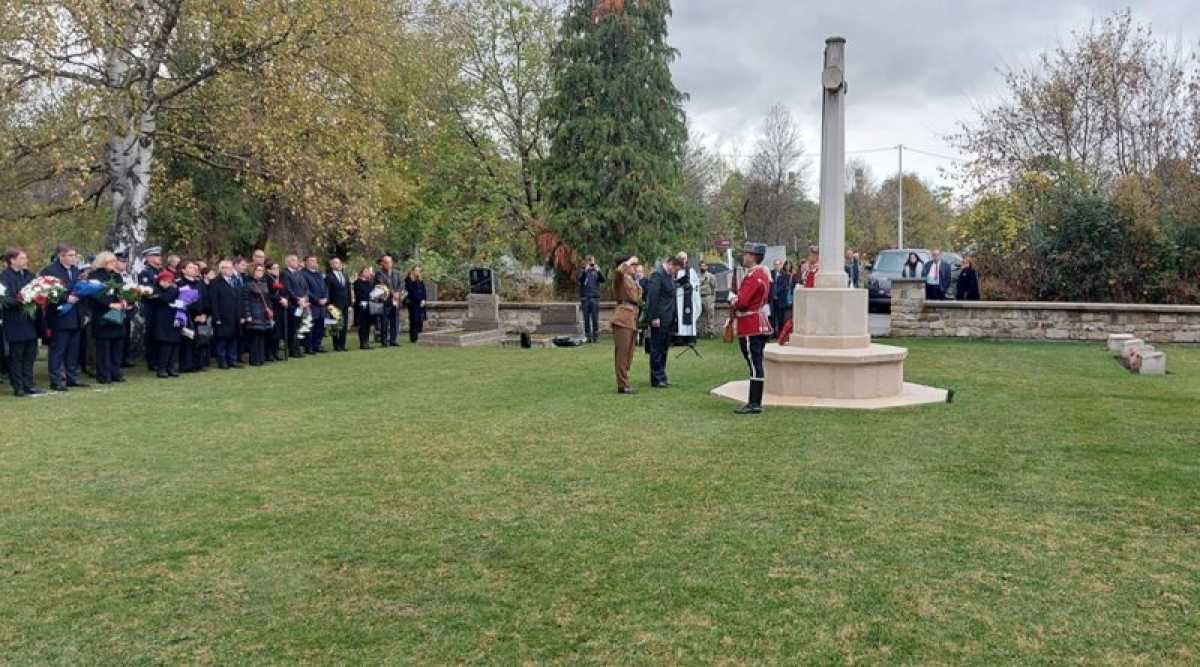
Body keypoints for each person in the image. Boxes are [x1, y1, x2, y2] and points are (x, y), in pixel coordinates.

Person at [729, 242, 774, 415]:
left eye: (746, 254)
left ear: (753, 256)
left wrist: (732, 299)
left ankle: (754, 402)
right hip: (757, 321)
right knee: (755, 363)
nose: (744, 256)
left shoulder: (754, 276)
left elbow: (742, 302)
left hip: (750, 323)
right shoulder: (762, 274)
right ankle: (754, 401)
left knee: (754, 364)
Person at [40, 244, 88, 391]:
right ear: (61, 256)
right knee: (58, 350)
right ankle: (56, 380)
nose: (74, 258)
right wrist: (65, 298)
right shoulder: (50, 270)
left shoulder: (76, 270)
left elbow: (81, 290)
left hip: (76, 316)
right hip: (59, 316)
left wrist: (85, 313)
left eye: (75, 255)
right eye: (71, 255)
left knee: (73, 350)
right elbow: (47, 292)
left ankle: (71, 378)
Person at [2, 249, 42, 397]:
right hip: (15, 321)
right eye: (22, 258)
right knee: (16, 356)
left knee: (30, 355)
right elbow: (5, 299)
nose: (26, 260)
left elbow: (37, 291)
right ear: (12, 260)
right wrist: (22, 300)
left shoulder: (29, 275)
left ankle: (29, 384)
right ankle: (18, 386)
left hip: (30, 321)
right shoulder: (4, 277)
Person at [85, 252, 127, 384]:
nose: (115, 264)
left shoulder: (117, 276)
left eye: (115, 261)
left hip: (117, 313)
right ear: (103, 262)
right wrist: (109, 304)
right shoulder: (94, 276)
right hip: (102, 314)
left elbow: (121, 291)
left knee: (117, 344)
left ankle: (115, 372)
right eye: (111, 262)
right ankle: (104, 375)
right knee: (104, 346)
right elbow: (94, 295)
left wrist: (125, 300)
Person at [645, 255, 680, 388]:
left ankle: (662, 375)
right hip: (659, 318)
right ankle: (656, 377)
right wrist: (654, 317)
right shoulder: (657, 275)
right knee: (656, 349)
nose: (674, 272)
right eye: (674, 269)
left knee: (664, 348)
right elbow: (653, 297)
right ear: (670, 264)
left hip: (668, 318)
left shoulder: (668, 276)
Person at [612, 256, 642, 394]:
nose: (635, 267)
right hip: (623, 318)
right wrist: (628, 262)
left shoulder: (632, 280)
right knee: (622, 353)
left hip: (632, 318)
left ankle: (625, 381)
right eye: (633, 264)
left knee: (629, 353)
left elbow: (637, 299)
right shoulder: (620, 278)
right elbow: (618, 272)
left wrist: (638, 282)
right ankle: (622, 385)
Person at [209, 260, 243, 369]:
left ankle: (232, 360)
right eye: (227, 267)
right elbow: (213, 301)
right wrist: (217, 317)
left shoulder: (235, 281)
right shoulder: (215, 282)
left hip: (234, 316)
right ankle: (222, 362)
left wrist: (241, 315)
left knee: (233, 338)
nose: (230, 270)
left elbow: (239, 299)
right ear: (222, 269)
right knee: (222, 340)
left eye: (231, 267)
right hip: (222, 316)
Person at [176, 260, 209, 372]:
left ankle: (200, 363)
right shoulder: (179, 284)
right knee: (188, 341)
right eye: (190, 267)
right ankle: (187, 365)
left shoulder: (200, 283)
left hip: (202, 317)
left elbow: (206, 300)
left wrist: (205, 313)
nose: (194, 269)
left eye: (195, 267)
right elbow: (180, 302)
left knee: (203, 340)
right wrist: (193, 315)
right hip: (188, 318)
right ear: (183, 270)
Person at [241, 263, 275, 366]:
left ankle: (261, 358)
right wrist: (247, 315)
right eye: (258, 270)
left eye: (261, 270)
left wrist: (270, 310)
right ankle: (254, 359)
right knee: (255, 337)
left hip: (263, 313)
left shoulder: (264, 283)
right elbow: (245, 301)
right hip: (254, 312)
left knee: (262, 336)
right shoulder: (247, 284)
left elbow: (268, 299)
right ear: (253, 271)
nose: (260, 272)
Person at [149, 270, 182, 378]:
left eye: (168, 280)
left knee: (174, 345)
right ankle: (162, 368)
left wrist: (159, 296)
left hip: (174, 319)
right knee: (165, 346)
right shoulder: (155, 290)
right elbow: (160, 298)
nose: (166, 283)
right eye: (164, 280)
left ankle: (172, 368)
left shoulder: (174, 289)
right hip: (162, 321)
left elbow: (168, 298)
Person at [138, 246, 164, 371]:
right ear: (148, 258)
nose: (158, 258)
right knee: (152, 333)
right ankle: (152, 361)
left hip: (161, 307)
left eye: (159, 255)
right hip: (151, 307)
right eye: (155, 256)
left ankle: (160, 359)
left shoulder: (160, 271)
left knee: (160, 332)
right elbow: (147, 290)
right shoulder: (145, 272)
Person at [282, 254, 311, 358]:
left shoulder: (299, 273)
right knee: (293, 328)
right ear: (288, 262)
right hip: (293, 305)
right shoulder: (285, 273)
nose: (296, 262)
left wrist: (305, 298)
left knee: (299, 327)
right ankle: (292, 350)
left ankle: (297, 349)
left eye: (296, 260)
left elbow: (306, 288)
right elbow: (288, 289)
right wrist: (298, 299)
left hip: (302, 304)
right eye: (293, 260)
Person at [374, 255, 404, 347]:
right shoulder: (379, 273)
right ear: (382, 263)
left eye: (390, 262)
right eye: (386, 262)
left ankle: (393, 340)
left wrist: (398, 293)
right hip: (385, 301)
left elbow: (401, 284)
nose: (388, 264)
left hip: (395, 301)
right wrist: (393, 293)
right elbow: (382, 285)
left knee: (394, 321)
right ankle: (384, 341)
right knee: (384, 322)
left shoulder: (397, 273)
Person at [673, 252, 701, 344]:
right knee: (679, 317)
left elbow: (696, 283)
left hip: (688, 297)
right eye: (681, 258)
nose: (683, 261)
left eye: (685, 259)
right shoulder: (675, 270)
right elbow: (672, 283)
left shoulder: (691, 271)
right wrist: (678, 284)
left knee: (689, 316)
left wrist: (690, 285)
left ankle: (690, 339)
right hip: (678, 298)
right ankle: (679, 338)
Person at [303, 254, 328, 354]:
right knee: (311, 327)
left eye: (315, 261)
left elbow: (325, 287)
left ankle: (317, 345)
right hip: (312, 305)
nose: (313, 262)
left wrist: (326, 298)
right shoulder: (303, 274)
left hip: (322, 305)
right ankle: (309, 347)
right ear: (306, 262)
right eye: (311, 261)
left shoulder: (319, 274)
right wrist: (317, 300)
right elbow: (306, 290)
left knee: (320, 326)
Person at [577, 255, 605, 343]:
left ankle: (595, 337)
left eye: (592, 261)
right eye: (589, 261)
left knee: (595, 319)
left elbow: (603, 280)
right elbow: (580, 280)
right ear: (586, 262)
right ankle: (588, 337)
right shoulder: (582, 271)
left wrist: (599, 271)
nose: (591, 263)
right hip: (585, 299)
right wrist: (585, 270)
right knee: (586, 319)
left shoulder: (596, 272)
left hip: (594, 298)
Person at [325, 257, 351, 351]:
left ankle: (342, 345)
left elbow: (348, 290)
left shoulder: (345, 275)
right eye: (335, 263)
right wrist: (328, 304)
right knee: (336, 325)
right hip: (334, 305)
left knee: (344, 325)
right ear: (331, 265)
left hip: (345, 304)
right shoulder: (329, 277)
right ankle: (336, 345)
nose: (337, 265)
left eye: (338, 263)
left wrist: (350, 304)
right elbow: (327, 291)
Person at [266, 261, 287, 361]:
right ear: (269, 270)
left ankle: (275, 352)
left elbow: (285, 290)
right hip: (272, 307)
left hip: (281, 308)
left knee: (278, 332)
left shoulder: (280, 278)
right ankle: (269, 353)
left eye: (278, 268)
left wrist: (285, 299)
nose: (277, 270)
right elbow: (268, 294)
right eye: (274, 268)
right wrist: (279, 299)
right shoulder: (267, 279)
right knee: (272, 332)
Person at [352, 266, 377, 350]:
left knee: (368, 325)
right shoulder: (357, 282)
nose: (368, 273)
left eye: (368, 271)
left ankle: (367, 342)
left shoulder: (370, 282)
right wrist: (367, 297)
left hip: (369, 305)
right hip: (361, 306)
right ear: (361, 272)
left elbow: (373, 292)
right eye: (366, 271)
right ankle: (363, 343)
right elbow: (359, 294)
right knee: (362, 325)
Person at [403, 265, 427, 344]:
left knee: (420, 320)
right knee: (414, 320)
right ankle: (414, 338)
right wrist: (419, 300)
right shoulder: (409, 280)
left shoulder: (420, 280)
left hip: (421, 304)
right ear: (412, 271)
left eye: (419, 270)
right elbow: (411, 292)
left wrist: (423, 300)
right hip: (413, 304)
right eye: (416, 270)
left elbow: (423, 291)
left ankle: (420, 336)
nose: (418, 272)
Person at [770, 260, 792, 336]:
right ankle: (773, 333)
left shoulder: (785, 275)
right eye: (775, 264)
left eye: (778, 264)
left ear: (780, 265)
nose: (776, 266)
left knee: (781, 317)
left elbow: (784, 287)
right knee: (773, 316)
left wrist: (777, 293)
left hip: (782, 299)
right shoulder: (771, 273)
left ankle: (780, 333)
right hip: (772, 298)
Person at [697, 261, 717, 338]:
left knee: (710, 315)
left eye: (704, 266)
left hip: (708, 297)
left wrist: (712, 299)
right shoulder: (697, 276)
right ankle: (699, 332)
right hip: (699, 297)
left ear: (707, 267)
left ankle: (710, 332)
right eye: (701, 266)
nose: (702, 267)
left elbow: (714, 287)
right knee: (698, 315)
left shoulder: (710, 276)